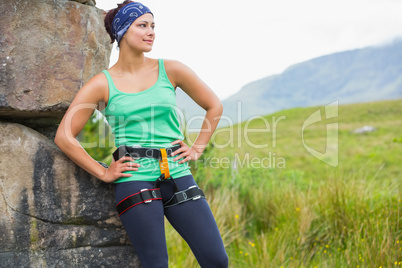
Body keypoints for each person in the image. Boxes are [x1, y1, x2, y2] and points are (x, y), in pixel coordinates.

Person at [54, 1, 228, 267]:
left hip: (178, 172)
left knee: (217, 260)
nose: (151, 32)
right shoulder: (102, 83)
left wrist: (197, 148)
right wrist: (103, 171)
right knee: (155, 264)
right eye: (142, 25)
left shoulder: (171, 70)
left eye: (153, 26)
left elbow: (214, 105)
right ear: (123, 31)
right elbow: (65, 136)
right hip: (135, 178)